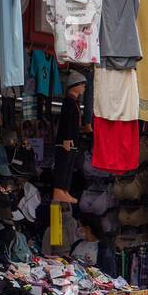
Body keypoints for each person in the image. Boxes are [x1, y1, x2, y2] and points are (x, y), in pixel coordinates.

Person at [51, 70, 86, 204]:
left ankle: (64, 190)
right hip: (66, 141)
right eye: (82, 84)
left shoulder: (74, 102)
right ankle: (59, 190)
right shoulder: (68, 102)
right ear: (75, 84)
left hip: (72, 141)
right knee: (63, 165)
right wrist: (66, 139)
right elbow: (65, 121)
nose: (84, 87)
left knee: (69, 166)